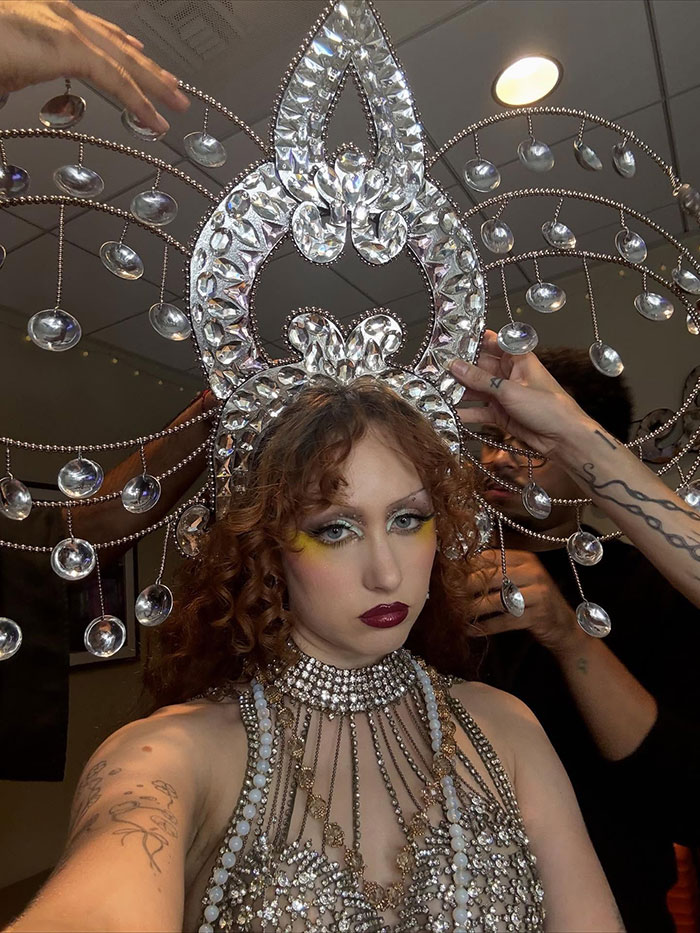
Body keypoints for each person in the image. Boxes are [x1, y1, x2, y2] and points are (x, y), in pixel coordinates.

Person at [4, 379, 623, 932]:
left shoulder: (506, 727)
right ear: (266, 546)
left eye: (408, 520)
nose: (387, 574)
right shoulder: (171, 755)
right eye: (335, 529)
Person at [449, 337, 700, 931]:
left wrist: (568, 634)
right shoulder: (431, 585)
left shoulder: (654, 588)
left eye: (527, 443)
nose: (497, 460)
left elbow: (684, 798)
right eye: (490, 440)